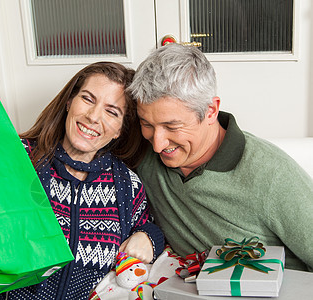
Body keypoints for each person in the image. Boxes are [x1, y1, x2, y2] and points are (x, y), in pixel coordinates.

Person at [0, 61, 165, 299]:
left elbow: (147, 225)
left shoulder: (125, 184)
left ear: (121, 128)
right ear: (69, 102)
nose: (93, 116)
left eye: (112, 112)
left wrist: (148, 236)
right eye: (87, 99)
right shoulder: (17, 157)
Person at [128, 42, 313, 271]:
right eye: (147, 124)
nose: (157, 144)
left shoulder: (274, 175)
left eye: (172, 126)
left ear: (211, 111)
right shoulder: (142, 155)